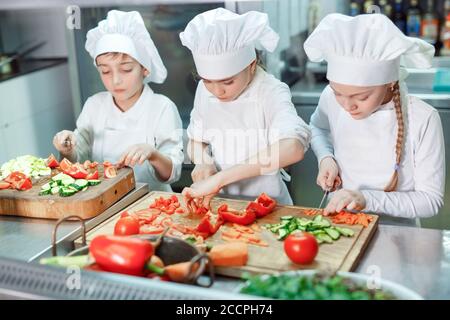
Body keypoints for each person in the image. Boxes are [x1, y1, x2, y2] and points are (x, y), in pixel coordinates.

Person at [305, 13, 445, 226]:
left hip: (398, 237)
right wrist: (326, 157)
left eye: (361, 97)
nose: (347, 105)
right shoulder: (329, 98)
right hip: (342, 225)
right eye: (337, 92)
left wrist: (365, 199)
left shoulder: (423, 119)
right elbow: (316, 127)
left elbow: (430, 200)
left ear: (389, 82)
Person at [179, 8, 311, 207]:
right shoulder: (204, 90)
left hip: (268, 207)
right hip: (220, 204)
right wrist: (202, 160)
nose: (217, 91)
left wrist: (220, 179)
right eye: (208, 81)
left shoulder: (271, 91)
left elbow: (293, 148)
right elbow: (197, 139)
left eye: (228, 82)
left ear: (251, 65)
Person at [53, 10, 184, 191]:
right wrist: (67, 149)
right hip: (102, 202)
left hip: (150, 205)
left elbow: (172, 173)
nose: (115, 80)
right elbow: (78, 158)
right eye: (105, 71)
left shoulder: (162, 107)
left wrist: (152, 154)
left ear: (145, 68)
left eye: (126, 69)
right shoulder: (94, 105)